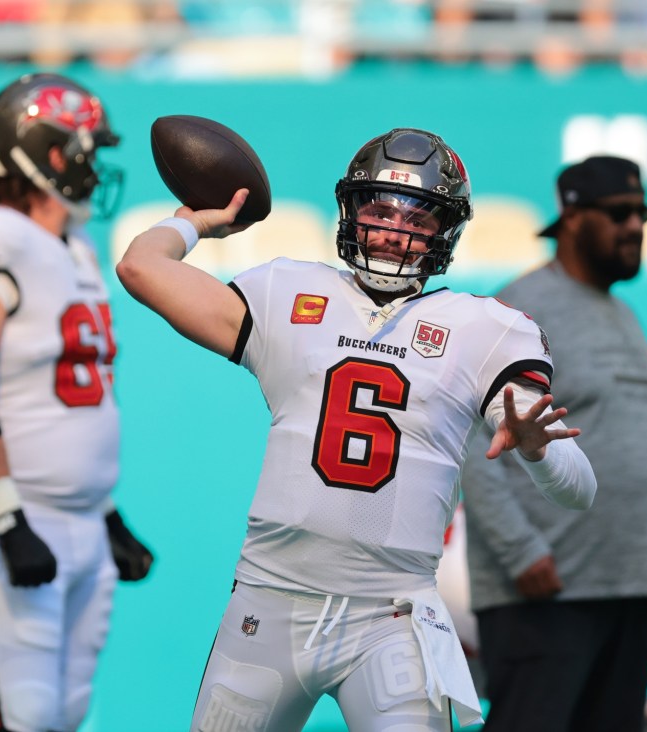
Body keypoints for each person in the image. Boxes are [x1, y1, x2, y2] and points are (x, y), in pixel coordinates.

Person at [117, 127, 597, 731]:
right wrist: (197, 220)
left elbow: (578, 489)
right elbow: (140, 266)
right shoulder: (287, 291)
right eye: (380, 209)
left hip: (390, 618)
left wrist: (537, 452)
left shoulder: (484, 329)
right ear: (350, 211)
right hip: (270, 598)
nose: (395, 229)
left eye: (417, 217)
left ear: (443, 231)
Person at [0, 72, 154, 732]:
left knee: (67, 713)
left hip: (82, 522)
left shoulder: (72, 245)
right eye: (86, 149)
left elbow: (72, 402)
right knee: (20, 716)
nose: (94, 164)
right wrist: (8, 521)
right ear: (48, 150)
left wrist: (107, 516)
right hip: (18, 518)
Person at [458, 155, 647, 732]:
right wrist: (520, 550)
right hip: (549, 590)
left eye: (642, 213)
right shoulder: (520, 310)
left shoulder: (624, 314)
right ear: (574, 218)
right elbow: (474, 442)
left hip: (629, 588)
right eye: (619, 213)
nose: (635, 226)